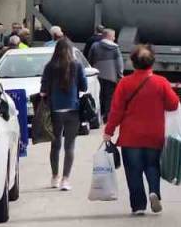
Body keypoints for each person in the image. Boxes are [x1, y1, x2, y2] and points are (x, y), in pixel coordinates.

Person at [104, 44, 181, 215]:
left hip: (131, 137)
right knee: (152, 166)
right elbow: (173, 104)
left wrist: (109, 131)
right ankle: (154, 191)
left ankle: (138, 206)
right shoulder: (161, 82)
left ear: (133, 63)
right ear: (152, 63)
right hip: (155, 135)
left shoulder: (125, 83)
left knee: (133, 171)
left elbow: (116, 111)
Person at [41, 38, 88, 191]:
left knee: (55, 145)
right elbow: (84, 87)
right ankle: (65, 180)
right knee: (70, 146)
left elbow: (43, 89)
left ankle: (55, 177)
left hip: (55, 110)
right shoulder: (77, 65)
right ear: (71, 50)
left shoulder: (50, 66)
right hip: (72, 109)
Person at [87, 28, 125, 125]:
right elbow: (119, 63)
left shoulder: (95, 46)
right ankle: (107, 117)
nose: (114, 38)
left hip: (98, 75)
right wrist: (120, 75)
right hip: (111, 77)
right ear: (109, 36)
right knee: (109, 97)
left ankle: (98, 115)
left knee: (98, 96)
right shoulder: (115, 48)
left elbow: (90, 59)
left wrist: (92, 71)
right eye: (113, 36)